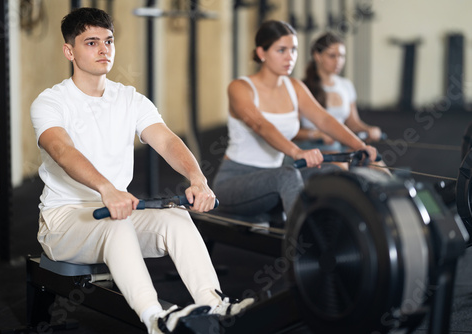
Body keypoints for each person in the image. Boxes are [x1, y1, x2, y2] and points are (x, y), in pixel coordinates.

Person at [30, 7, 252, 334]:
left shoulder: (130, 99)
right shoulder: (50, 102)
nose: (103, 49)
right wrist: (107, 188)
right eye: (91, 42)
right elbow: (62, 151)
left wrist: (198, 179)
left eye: (108, 41)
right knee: (117, 225)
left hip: (115, 211)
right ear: (69, 51)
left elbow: (167, 141)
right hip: (64, 220)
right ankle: (155, 319)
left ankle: (216, 305)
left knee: (176, 217)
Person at [212, 20, 378, 222]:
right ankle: (305, 246)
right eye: (281, 50)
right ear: (262, 53)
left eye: (294, 50)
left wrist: (360, 146)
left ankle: (342, 234)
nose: (289, 57)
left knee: (333, 169)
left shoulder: (295, 87)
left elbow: (324, 119)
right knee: (288, 174)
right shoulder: (240, 88)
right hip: (235, 182)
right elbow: (261, 126)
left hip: (276, 175)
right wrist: (297, 152)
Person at [297, 32, 383, 153]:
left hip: (339, 146)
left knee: (373, 160)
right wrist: (317, 134)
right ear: (317, 56)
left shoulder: (346, 85)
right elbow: (292, 131)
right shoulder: (302, 88)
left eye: (342, 56)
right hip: (312, 148)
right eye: (332, 56)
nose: (338, 61)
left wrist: (368, 129)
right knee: (340, 163)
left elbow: (352, 123)